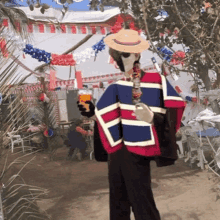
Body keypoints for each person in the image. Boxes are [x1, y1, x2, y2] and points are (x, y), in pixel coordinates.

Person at [77, 29, 186, 220]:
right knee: (117, 201)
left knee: (142, 201)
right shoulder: (115, 87)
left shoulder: (156, 81)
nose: (123, 61)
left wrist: (151, 118)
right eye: (119, 56)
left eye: (126, 55)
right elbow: (105, 118)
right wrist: (91, 113)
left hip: (139, 151)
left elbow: (174, 112)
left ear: (137, 54)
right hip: (118, 153)